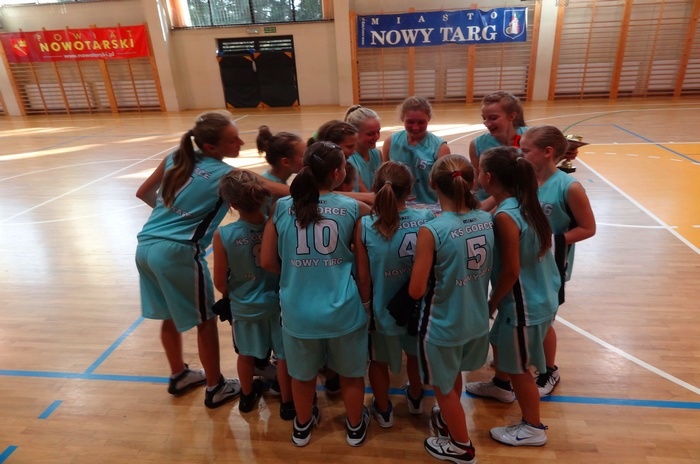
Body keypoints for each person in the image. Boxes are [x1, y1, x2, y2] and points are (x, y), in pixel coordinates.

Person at [260, 141, 372, 447]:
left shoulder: (281, 207)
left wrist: (294, 270)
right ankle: (354, 426)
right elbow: (365, 262)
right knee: (351, 374)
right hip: (343, 308)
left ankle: (302, 426)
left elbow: (267, 260)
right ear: (337, 173)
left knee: (302, 375)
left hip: (297, 310)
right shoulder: (352, 208)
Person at [135, 111, 243, 409]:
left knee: (169, 314)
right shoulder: (226, 175)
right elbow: (275, 190)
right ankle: (215, 387)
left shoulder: (176, 156)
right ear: (210, 147)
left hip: (146, 246)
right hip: (178, 253)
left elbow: (143, 192)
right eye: (233, 140)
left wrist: (170, 216)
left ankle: (178, 375)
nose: (241, 143)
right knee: (205, 320)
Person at [465, 146, 560, 447]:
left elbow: (511, 270)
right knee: (500, 342)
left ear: (488, 177)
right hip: (543, 294)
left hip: (523, 306)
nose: (478, 173)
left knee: (521, 369)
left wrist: (491, 303)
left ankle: (533, 427)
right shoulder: (525, 202)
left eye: (480, 169)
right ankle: (500, 386)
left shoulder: (506, 217)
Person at [408, 155, 494, 463]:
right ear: (471, 181)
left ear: (432, 183)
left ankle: (461, 446)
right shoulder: (486, 219)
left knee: (443, 388)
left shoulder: (432, 230)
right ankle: (448, 419)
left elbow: (416, 290)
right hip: (476, 319)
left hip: (443, 324)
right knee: (453, 374)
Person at [354, 161, 435, 429]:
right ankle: (415, 398)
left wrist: (366, 308)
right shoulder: (426, 219)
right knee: (414, 355)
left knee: (378, 361)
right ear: (410, 190)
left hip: (382, 310)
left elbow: (363, 276)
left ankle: (383, 410)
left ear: (375, 187)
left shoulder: (366, 224)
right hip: (416, 308)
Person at [211, 170, 295, 418]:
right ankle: (287, 403)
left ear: (232, 204)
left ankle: (246, 398)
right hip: (278, 304)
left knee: (246, 355)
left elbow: (219, 281)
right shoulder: (276, 225)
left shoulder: (223, 235)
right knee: (283, 356)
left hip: (245, 307)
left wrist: (234, 294)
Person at [519, 126, 596, 396]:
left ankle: (549, 370)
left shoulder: (569, 187)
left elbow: (588, 228)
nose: (521, 154)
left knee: (544, 321)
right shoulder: (525, 180)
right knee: (524, 314)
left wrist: (551, 242)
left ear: (547, 152)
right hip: (523, 261)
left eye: (525, 150)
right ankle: (519, 360)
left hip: (551, 264)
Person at [381, 96, 451, 204]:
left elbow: (446, 185)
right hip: (397, 204)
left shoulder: (441, 148)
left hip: (429, 205)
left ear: (429, 118)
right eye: (410, 122)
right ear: (402, 118)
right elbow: (383, 177)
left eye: (421, 122)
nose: (415, 127)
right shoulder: (391, 142)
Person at [469, 91, 528, 202]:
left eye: (493, 118)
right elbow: (477, 182)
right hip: (486, 202)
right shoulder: (477, 144)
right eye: (484, 118)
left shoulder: (531, 137)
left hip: (524, 199)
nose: (487, 123)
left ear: (511, 116)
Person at [345, 105, 382, 192]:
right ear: (355, 133)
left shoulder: (377, 154)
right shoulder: (348, 160)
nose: (377, 137)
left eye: (378, 131)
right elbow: (366, 194)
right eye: (370, 134)